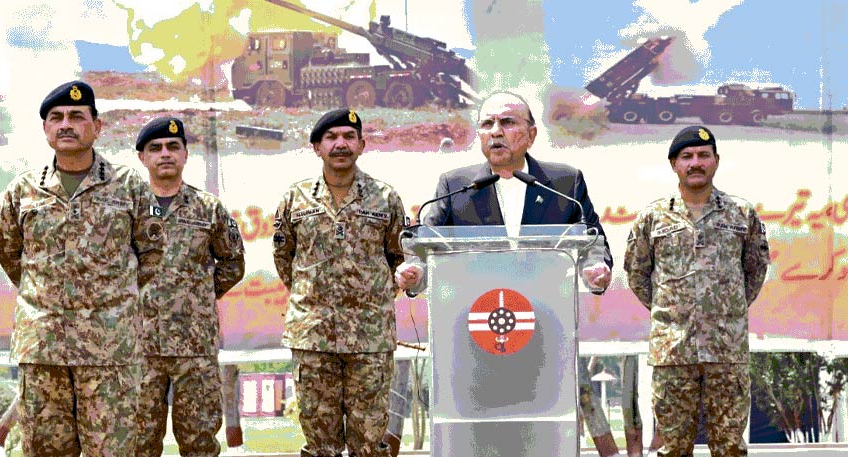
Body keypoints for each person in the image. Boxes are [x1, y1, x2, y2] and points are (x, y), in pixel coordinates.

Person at [0, 80, 162, 455]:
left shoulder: (130, 187)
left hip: (110, 352)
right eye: (56, 118)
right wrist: (46, 299)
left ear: (97, 126)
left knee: (112, 450)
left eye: (76, 116)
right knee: (46, 450)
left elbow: (151, 252)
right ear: (45, 130)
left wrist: (109, 303)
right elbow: (9, 253)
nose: (66, 125)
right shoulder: (22, 191)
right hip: (43, 349)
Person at [623, 126, 770, 457]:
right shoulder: (652, 217)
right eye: (686, 157)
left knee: (730, 447)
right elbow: (637, 274)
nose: (696, 163)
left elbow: (755, 270)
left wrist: (725, 310)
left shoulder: (741, 213)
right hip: (673, 352)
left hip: (726, 353)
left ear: (716, 161)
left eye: (704, 155)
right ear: (674, 164)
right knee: (673, 449)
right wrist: (672, 312)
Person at [272, 108, 406, 457]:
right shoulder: (295, 198)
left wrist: (371, 298)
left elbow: (398, 256)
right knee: (320, 444)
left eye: (349, 137)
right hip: (313, 338)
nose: (340, 144)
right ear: (316, 147)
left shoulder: (385, 197)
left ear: (362, 145)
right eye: (331, 137)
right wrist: (314, 298)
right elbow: (285, 259)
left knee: (369, 444)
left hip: (370, 338)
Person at [395, 90, 611, 295]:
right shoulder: (454, 186)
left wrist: (595, 267)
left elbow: (593, 241)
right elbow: (425, 245)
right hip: (475, 313)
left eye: (508, 122)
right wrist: (416, 272)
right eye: (487, 124)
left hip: (548, 312)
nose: (496, 132)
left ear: (531, 135)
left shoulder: (565, 183)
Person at [134, 116, 245, 456]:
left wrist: (197, 295)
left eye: (173, 147)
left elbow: (233, 262)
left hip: (194, 348)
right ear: (142, 157)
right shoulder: (126, 209)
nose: (164, 154)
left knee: (199, 443)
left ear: (185, 154)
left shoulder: (208, 209)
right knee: (137, 443)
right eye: (155, 148)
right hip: (136, 347)